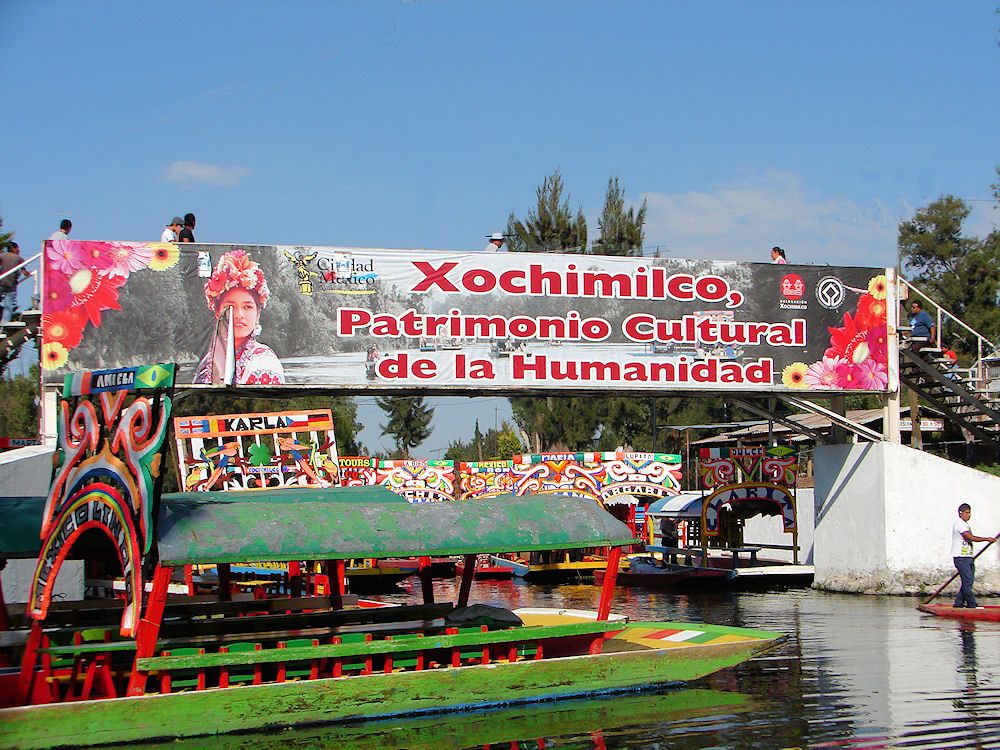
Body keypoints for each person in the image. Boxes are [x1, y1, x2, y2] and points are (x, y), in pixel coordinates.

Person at [193, 249, 285, 385]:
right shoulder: (209, 360)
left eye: (247, 307)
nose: (239, 315)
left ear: (257, 314)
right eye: (230, 307)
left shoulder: (263, 360)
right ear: (217, 312)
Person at [951, 503, 996, 608]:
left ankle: (959, 603)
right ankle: (972, 605)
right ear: (960, 513)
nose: (969, 515)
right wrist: (987, 539)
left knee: (968, 582)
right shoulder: (960, 524)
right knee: (967, 582)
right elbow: (970, 537)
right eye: (967, 513)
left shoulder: (965, 524)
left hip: (968, 557)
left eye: (969, 513)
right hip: (961, 558)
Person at [1, 243, 32, 323]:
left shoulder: (2, 256)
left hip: (1, 282)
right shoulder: (18, 258)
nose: (19, 250)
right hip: (11, 285)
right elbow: (24, 272)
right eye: (18, 248)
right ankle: (4, 322)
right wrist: (29, 274)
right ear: (14, 248)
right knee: (9, 304)